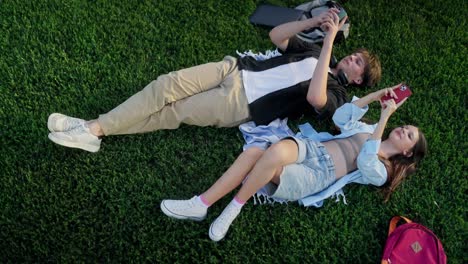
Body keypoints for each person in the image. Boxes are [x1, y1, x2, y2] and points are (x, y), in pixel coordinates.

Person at [47, 9, 381, 152]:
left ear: (356, 81)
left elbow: (315, 99)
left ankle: (93, 130)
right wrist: (309, 21)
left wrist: (329, 46)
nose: (353, 58)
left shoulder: (337, 93)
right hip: (234, 69)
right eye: (355, 55)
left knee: (172, 112)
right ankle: (93, 127)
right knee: (166, 84)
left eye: (358, 64)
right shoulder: (312, 54)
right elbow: (277, 35)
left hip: (241, 103)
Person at [160, 86, 428, 242]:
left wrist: (384, 119)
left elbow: (365, 158)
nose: (402, 130)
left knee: (256, 156)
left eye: (408, 135)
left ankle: (203, 204)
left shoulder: (382, 172)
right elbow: (342, 115)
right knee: (272, 152)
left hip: (319, 174)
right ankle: (227, 207)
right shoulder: (365, 128)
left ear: (407, 152)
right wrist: (377, 95)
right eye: (404, 126)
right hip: (311, 148)